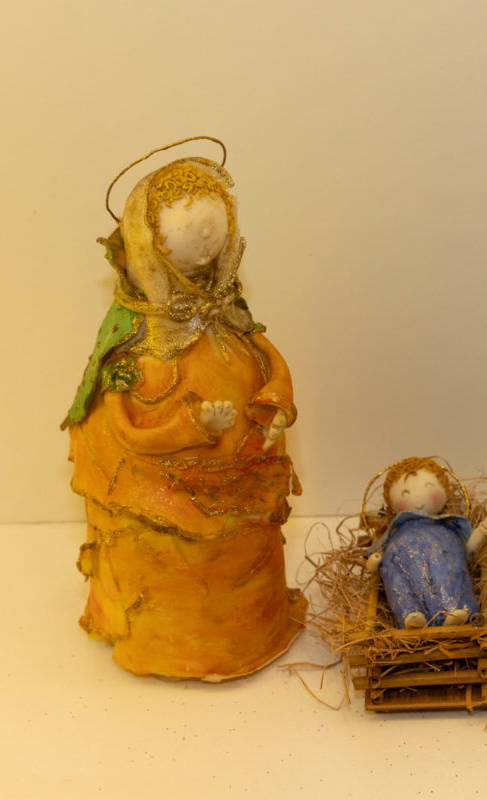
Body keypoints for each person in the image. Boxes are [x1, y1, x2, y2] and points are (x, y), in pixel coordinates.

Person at [61, 155, 305, 680]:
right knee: (164, 551)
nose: (204, 232)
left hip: (240, 477)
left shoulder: (228, 316)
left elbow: (270, 361)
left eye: (212, 217)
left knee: (238, 544)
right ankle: (169, 645)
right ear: (147, 241)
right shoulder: (132, 347)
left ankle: (244, 632)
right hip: (163, 491)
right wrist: (191, 429)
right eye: (183, 220)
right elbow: (127, 431)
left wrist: (278, 406)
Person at [365, 457, 487, 628]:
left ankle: (454, 612)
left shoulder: (450, 528)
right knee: (398, 579)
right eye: (405, 494)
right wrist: (375, 560)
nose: (418, 498)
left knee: (449, 574)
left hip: (444, 563)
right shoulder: (396, 532)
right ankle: (411, 615)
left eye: (429, 487)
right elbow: (376, 556)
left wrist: (482, 530)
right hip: (405, 565)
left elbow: (467, 553)